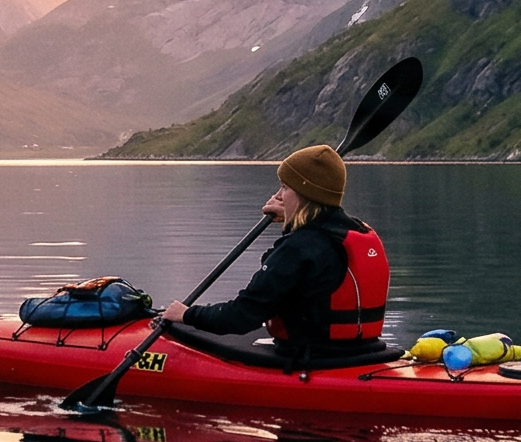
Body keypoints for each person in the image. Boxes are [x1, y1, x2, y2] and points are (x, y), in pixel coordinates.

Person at [163, 144, 390, 368]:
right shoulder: (357, 231)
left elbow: (241, 317)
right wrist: (293, 219)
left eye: (285, 187)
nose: (278, 196)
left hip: (314, 359)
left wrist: (187, 314)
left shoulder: (298, 248)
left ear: (304, 194)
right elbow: (316, 245)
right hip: (367, 352)